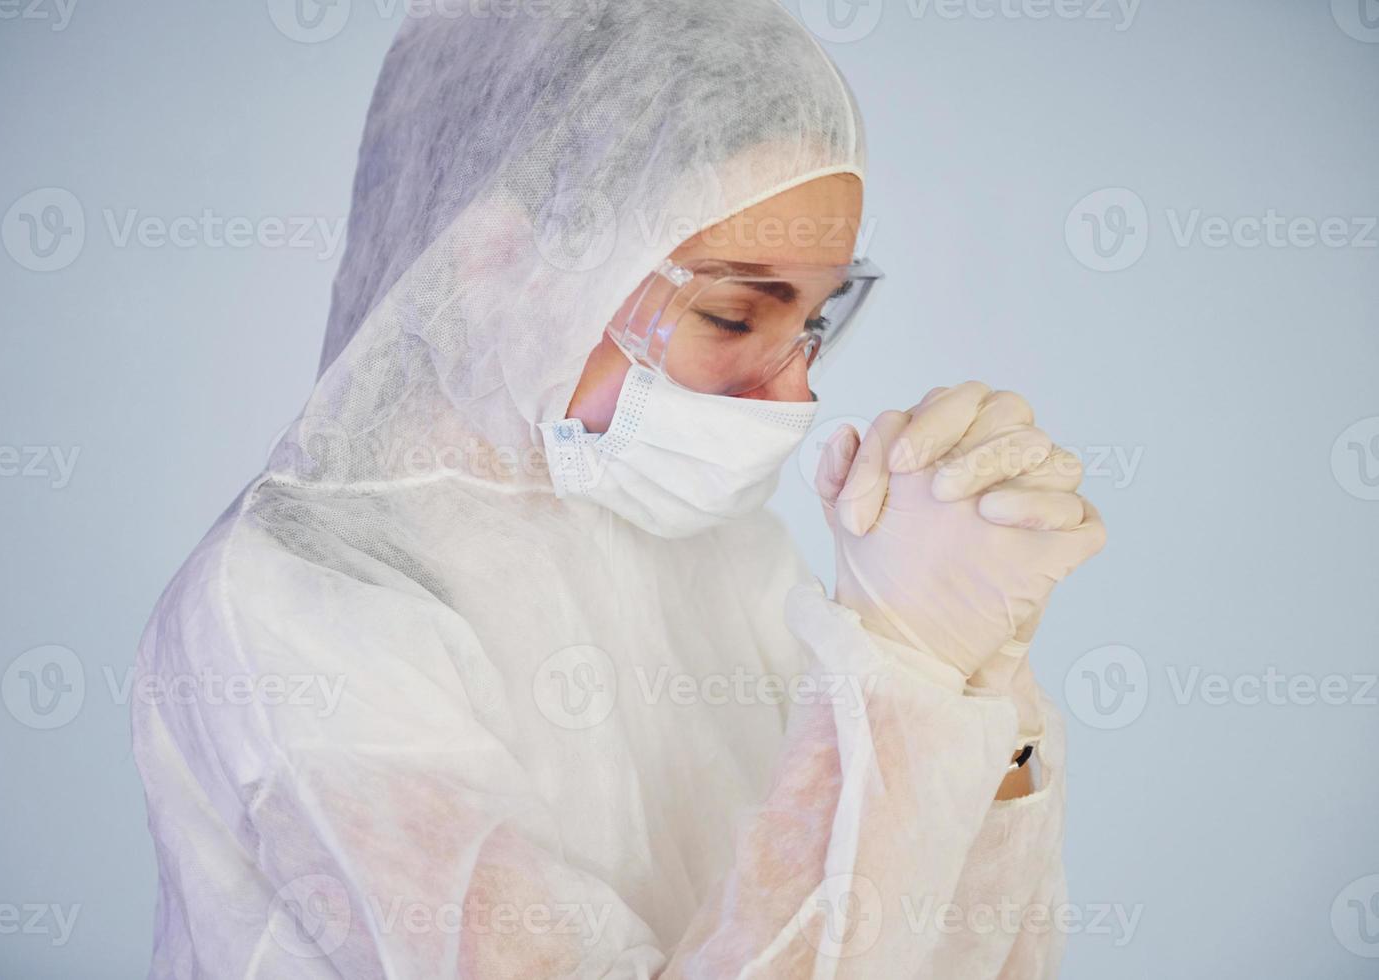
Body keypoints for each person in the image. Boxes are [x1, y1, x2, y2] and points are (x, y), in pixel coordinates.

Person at [131, 2, 1106, 977]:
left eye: (814, 320)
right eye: (732, 314)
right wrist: (900, 671)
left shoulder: (718, 554)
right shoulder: (292, 614)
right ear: (503, 265)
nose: (798, 389)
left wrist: (983, 706)